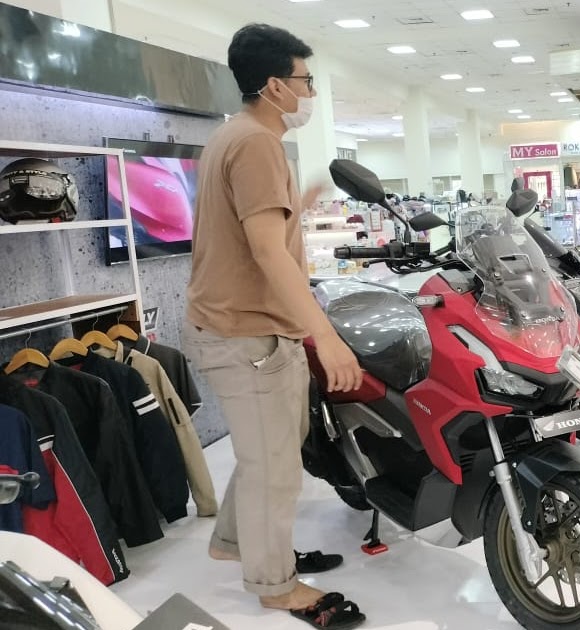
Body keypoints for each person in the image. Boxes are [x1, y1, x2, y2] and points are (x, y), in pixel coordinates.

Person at [181, 24, 366, 629]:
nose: (310, 92)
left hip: (236, 325)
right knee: (274, 467)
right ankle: (275, 586)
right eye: (305, 81)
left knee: (266, 452)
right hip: (246, 333)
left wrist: (301, 204)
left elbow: (251, 233)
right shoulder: (258, 144)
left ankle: (236, 543)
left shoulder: (233, 136)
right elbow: (265, 251)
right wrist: (325, 337)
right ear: (273, 86)